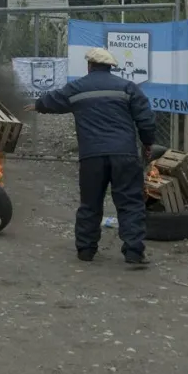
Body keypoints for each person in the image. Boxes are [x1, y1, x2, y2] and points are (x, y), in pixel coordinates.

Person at [25, 47, 157, 267]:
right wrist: (148, 142)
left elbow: (55, 100)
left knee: (90, 203)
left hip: (92, 156)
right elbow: (145, 117)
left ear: (89, 66)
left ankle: (86, 250)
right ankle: (134, 252)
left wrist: (38, 105)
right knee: (130, 202)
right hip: (124, 154)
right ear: (110, 67)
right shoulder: (127, 87)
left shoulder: (78, 88)